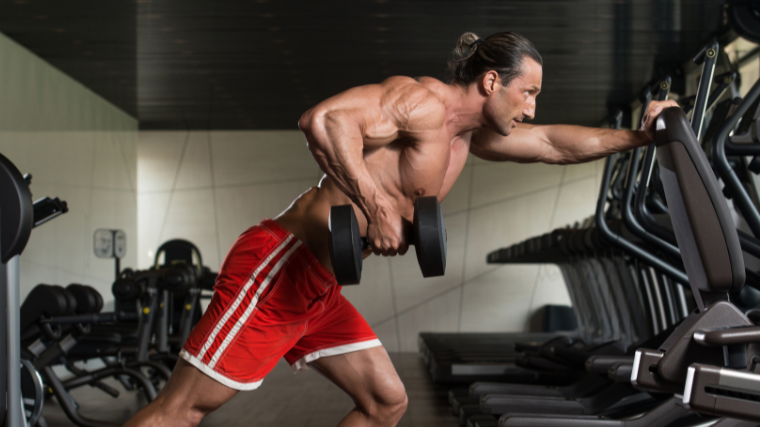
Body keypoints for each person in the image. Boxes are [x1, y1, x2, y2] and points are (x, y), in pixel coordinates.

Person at [124, 31, 677, 427]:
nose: (531, 109)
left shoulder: (469, 139)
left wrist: (644, 137)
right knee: (184, 410)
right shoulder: (423, 103)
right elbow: (322, 121)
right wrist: (378, 206)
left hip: (319, 289)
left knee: (385, 402)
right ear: (491, 81)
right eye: (527, 92)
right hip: (280, 265)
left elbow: (556, 145)